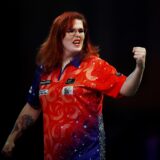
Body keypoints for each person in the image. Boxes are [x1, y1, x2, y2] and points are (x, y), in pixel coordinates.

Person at [1, 11, 146, 160]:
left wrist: (139, 67)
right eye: (71, 31)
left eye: (81, 31)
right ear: (58, 36)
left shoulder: (94, 65)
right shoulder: (45, 70)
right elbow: (32, 107)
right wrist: (12, 137)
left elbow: (127, 89)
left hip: (89, 155)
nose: (78, 35)